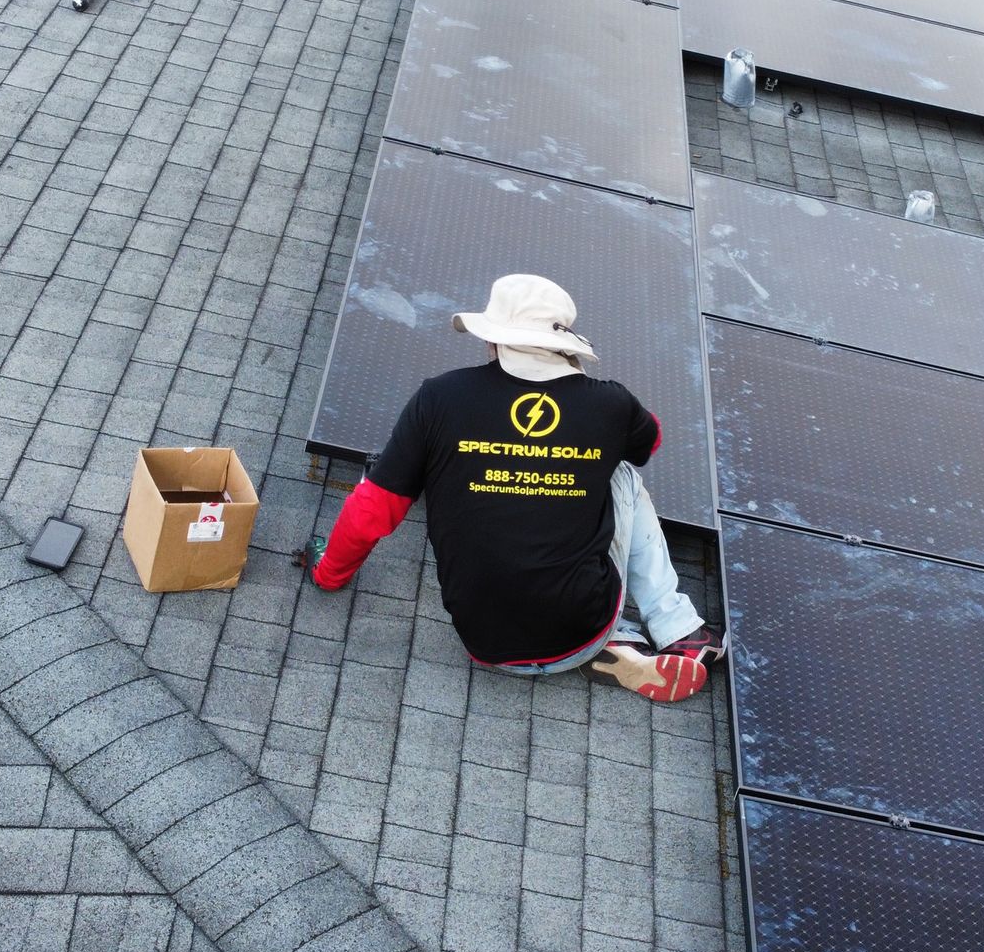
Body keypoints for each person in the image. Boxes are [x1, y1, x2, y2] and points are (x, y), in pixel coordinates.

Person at [307, 274, 725, 701]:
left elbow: (373, 508)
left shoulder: (439, 398)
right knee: (622, 474)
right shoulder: (609, 403)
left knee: (434, 465)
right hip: (581, 627)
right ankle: (676, 630)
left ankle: (618, 641)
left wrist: (329, 576)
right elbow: (648, 442)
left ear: (492, 340)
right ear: (566, 345)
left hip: (485, 643)